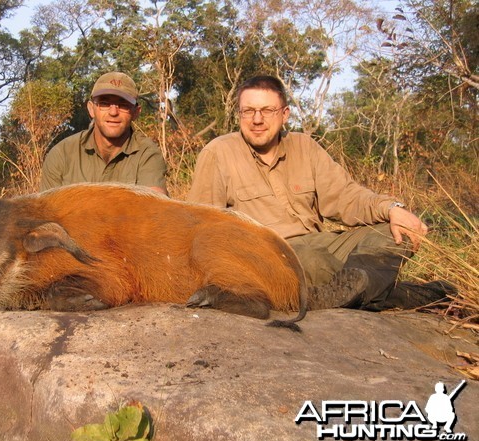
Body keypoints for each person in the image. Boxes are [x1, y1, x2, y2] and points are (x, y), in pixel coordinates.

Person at [187, 75, 454, 310]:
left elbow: (347, 197)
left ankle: (351, 290)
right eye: (248, 111)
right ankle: (391, 293)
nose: (257, 120)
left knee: (395, 234)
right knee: (313, 260)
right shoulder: (218, 152)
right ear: (239, 114)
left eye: (267, 110)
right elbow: (202, 227)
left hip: (321, 243)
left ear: (285, 114)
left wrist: (392, 208)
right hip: (270, 255)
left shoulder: (306, 146)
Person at [40, 71, 168, 195]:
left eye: (123, 105)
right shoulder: (62, 154)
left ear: (136, 112)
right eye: (104, 103)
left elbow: (154, 208)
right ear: (91, 109)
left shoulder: (148, 154)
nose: (113, 112)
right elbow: (46, 212)